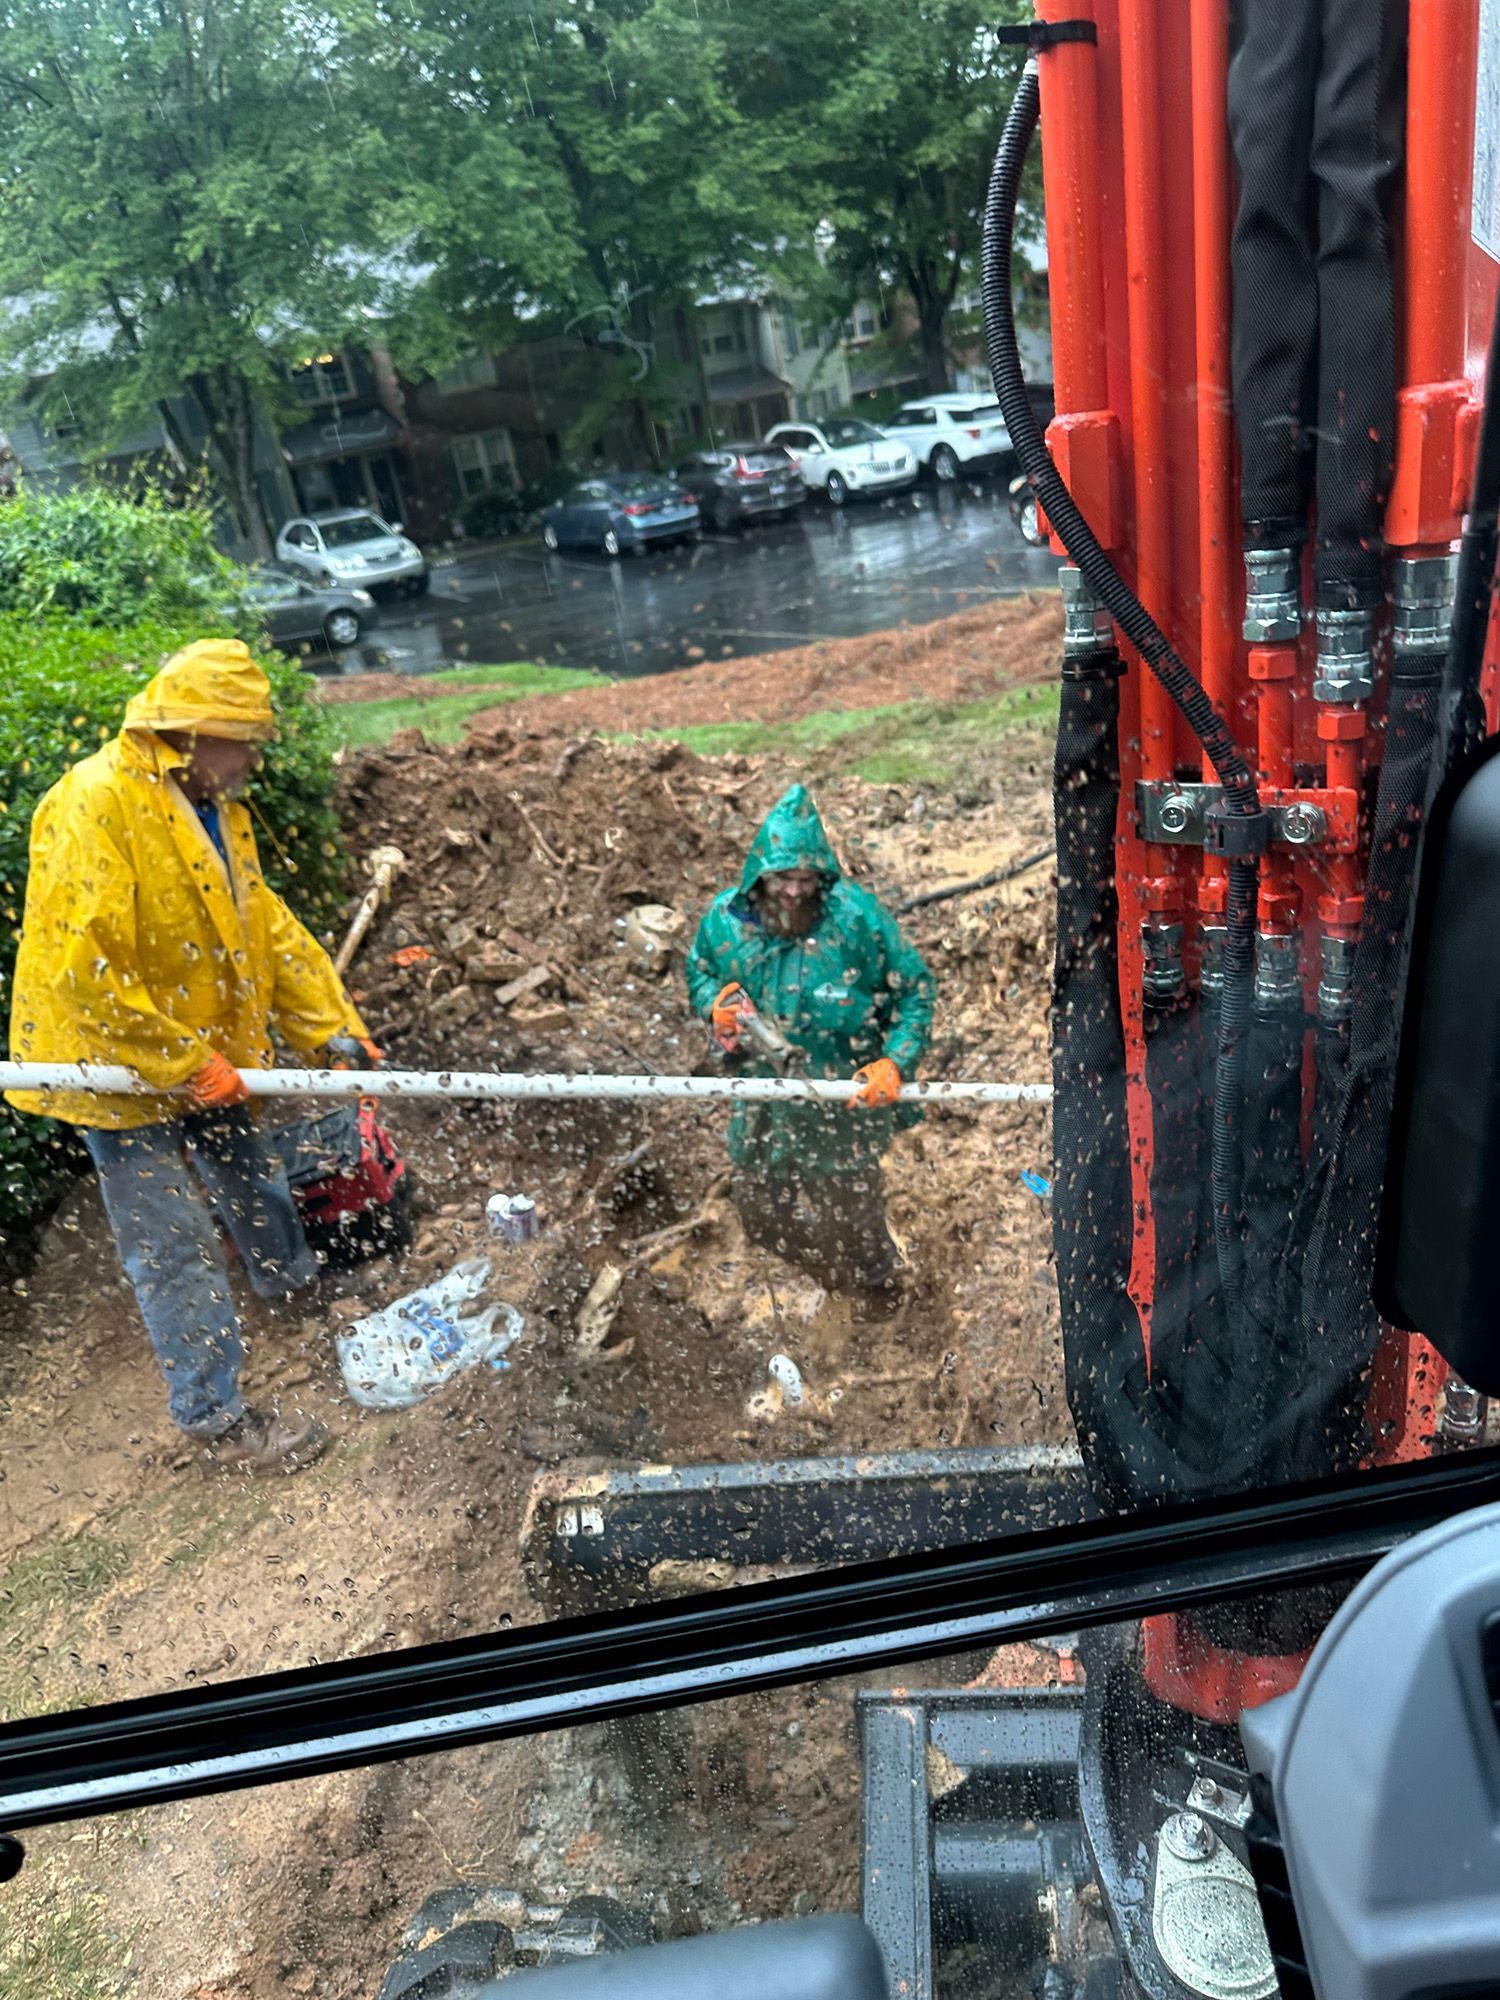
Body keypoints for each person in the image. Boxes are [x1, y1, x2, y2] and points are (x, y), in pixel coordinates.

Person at [7, 639, 379, 1473]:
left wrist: (330, 1026)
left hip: (196, 1055)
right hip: (116, 1064)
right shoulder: (95, 803)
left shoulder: (213, 806)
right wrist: (178, 1060)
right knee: (170, 1242)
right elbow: (85, 968)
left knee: (252, 1180)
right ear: (193, 731)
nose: (252, 757)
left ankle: (293, 1291)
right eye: (242, 740)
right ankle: (214, 1418)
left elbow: (266, 929)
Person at [686, 783, 934, 1303]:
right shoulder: (727, 923)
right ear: (760, 874)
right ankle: (826, 1279)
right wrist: (714, 1004)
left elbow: (914, 991)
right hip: (764, 1106)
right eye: (782, 878)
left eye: (805, 879)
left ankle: (881, 1306)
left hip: (843, 1104)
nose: (795, 892)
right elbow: (701, 970)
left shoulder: (857, 922)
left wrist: (895, 1060)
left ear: (822, 875)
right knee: (760, 1215)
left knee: (857, 1225)